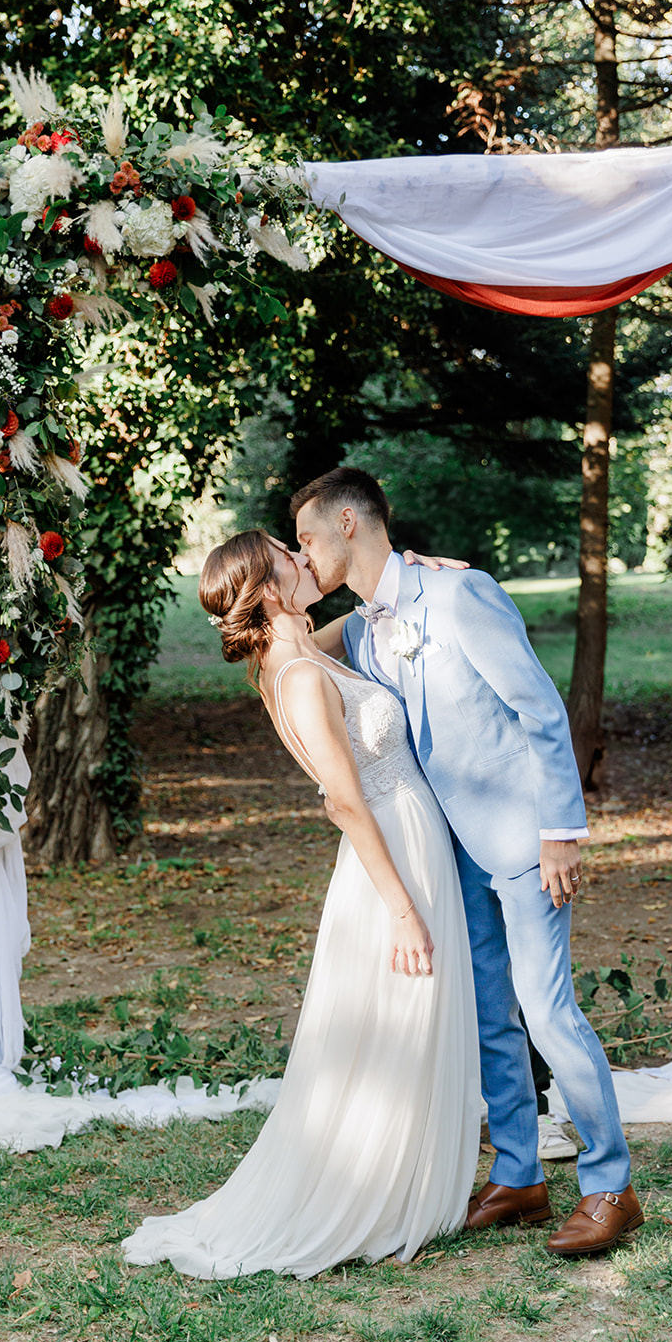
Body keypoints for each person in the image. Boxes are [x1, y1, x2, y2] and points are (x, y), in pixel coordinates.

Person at [292, 467, 643, 1257]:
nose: (306, 555)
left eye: (308, 539)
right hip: (450, 853)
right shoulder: (362, 622)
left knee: (546, 1009)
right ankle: (518, 1174)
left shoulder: (460, 595)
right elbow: (284, 656)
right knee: (490, 1014)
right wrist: (280, 600)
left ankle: (609, 1187)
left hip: (523, 840)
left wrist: (562, 830)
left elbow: (539, 709)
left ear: (348, 522)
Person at [122, 530, 481, 1279]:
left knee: (404, 1026)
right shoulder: (294, 674)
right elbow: (345, 802)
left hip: (408, 839)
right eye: (289, 552)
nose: (302, 554)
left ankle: (402, 1180)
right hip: (388, 857)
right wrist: (402, 910)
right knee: (394, 1025)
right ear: (269, 586)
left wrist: (416, 569)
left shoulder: (301, 648)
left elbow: (365, 620)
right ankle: (377, 1195)